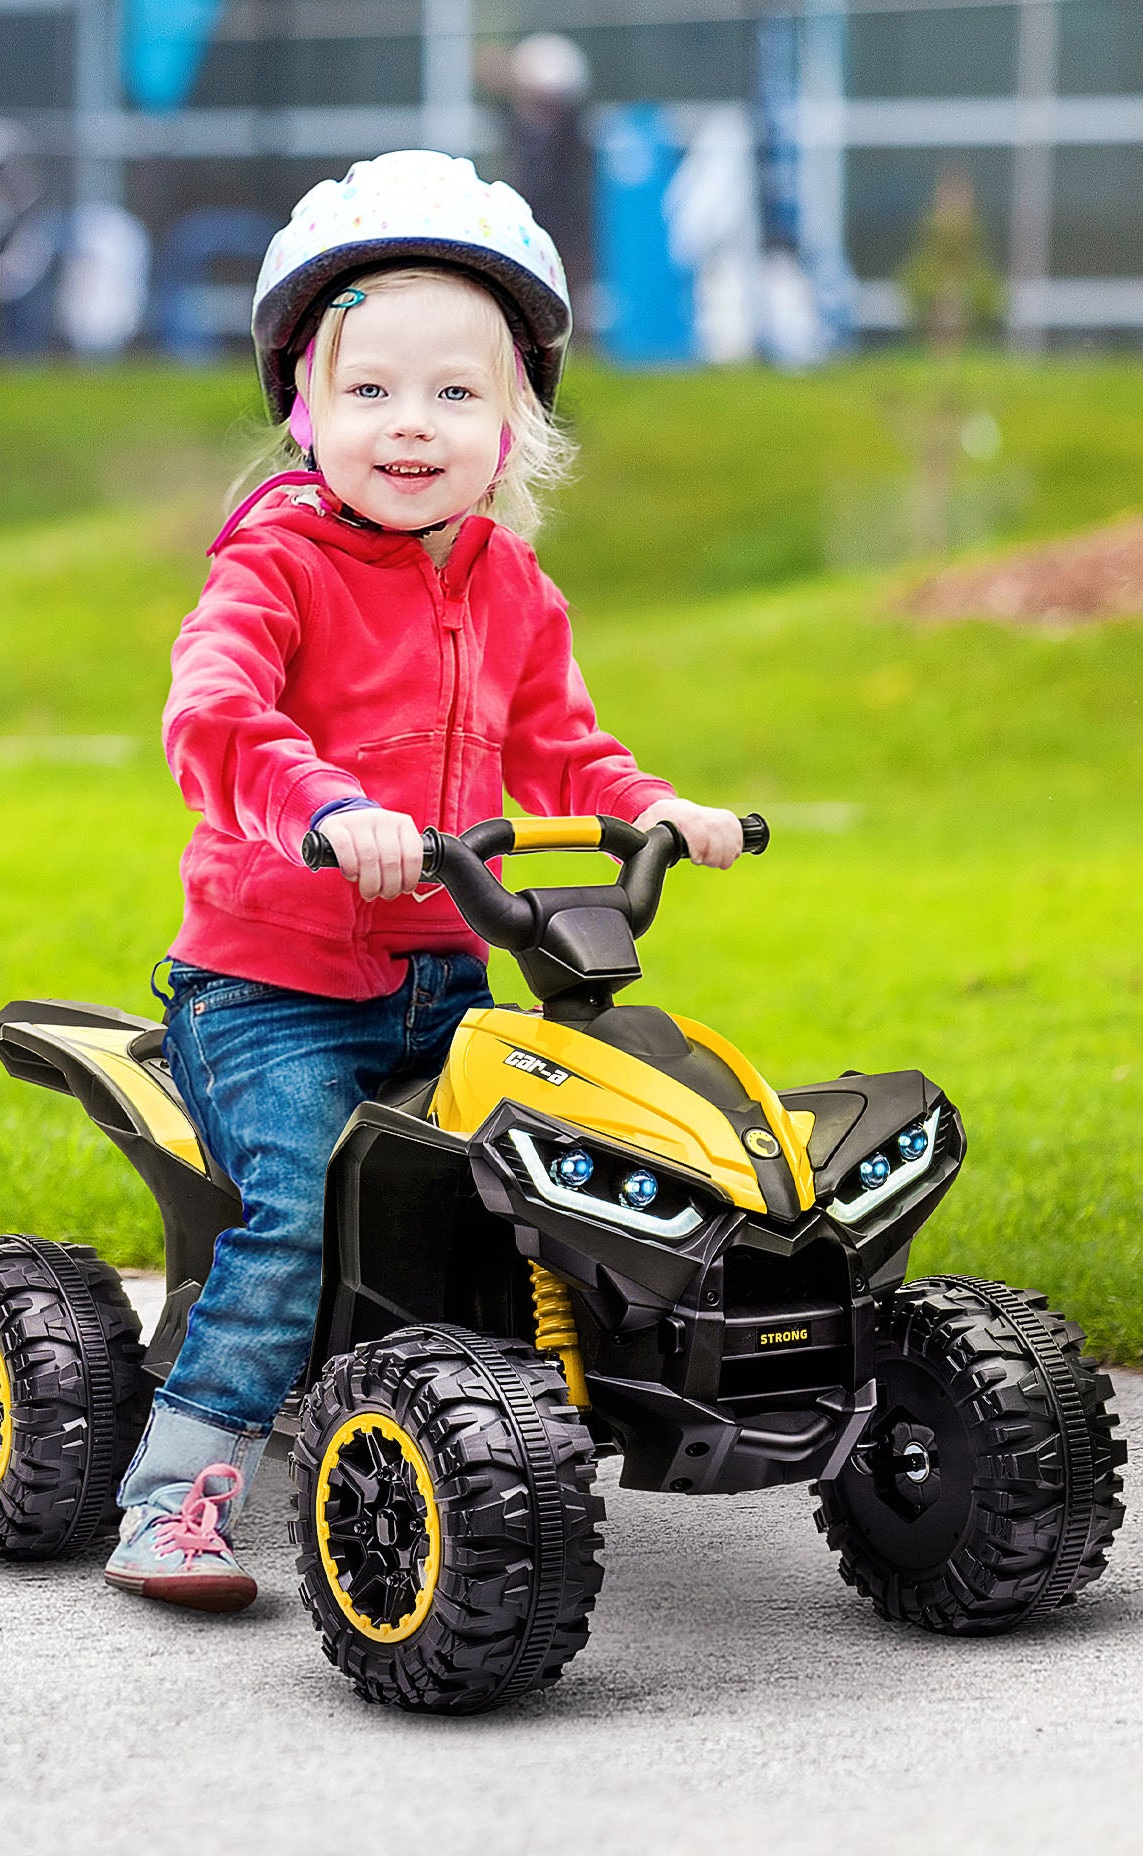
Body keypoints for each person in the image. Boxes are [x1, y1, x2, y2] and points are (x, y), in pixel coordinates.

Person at [106, 150, 743, 1612]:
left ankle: (513, 1426)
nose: (414, 425)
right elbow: (213, 716)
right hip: (274, 994)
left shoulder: (511, 585)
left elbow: (564, 746)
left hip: (447, 974)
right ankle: (174, 1497)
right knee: (294, 1224)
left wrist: (660, 810)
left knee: (535, 1190)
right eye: (373, 390)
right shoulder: (273, 566)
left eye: (457, 394)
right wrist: (322, 808)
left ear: (516, 419)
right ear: (303, 407)